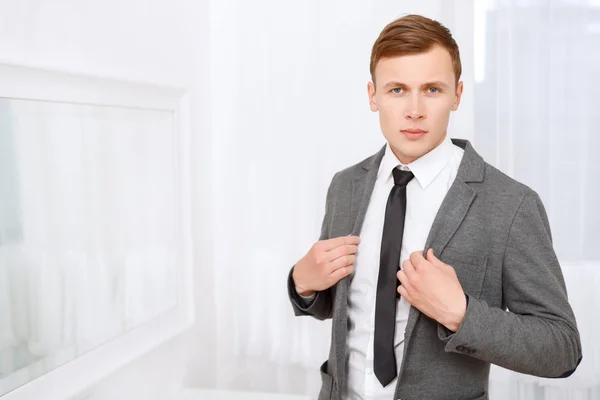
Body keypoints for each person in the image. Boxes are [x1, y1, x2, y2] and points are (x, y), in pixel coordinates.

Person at [286, 14, 582, 400]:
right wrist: (302, 283)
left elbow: (561, 348)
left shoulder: (511, 204)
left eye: (432, 89)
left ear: (457, 94)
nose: (414, 110)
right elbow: (343, 307)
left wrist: (460, 313)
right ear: (372, 95)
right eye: (396, 90)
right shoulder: (345, 186)